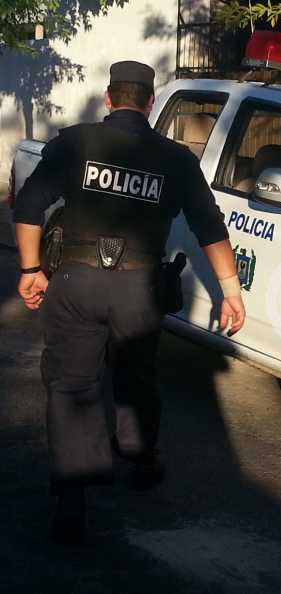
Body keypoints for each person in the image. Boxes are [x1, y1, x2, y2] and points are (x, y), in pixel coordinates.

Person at [12, 61, 246, 545]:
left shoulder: (76, 142)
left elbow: (30, 205)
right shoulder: (176, 159)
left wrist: (31, 270)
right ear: (150, 103)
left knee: (73, 384)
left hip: (76, 281)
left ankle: (72, 499)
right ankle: (139, 459)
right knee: (135, 376)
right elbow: (209, 225)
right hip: (138, 288)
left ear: (108, 98)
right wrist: (230, 292)